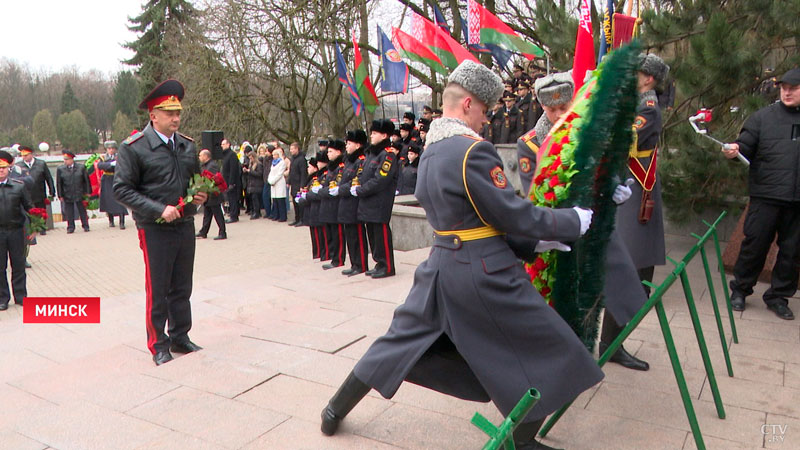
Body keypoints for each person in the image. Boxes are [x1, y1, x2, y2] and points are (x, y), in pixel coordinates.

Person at [321, 60, 602, 449]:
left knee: (396, 342)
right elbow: (509, 212)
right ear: (468, 104)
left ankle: (334, 409)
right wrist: (570, 221)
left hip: (440, 266)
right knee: (553, 347)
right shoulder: (473, 151)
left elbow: (472, 217)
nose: (487, 120)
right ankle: (519, 441)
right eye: (485, 111)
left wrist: (534, 244)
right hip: (483, 272)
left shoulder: (432, 150)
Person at [517, 72, 650, 371]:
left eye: (564, 108)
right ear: (542, 108)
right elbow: (535, 194)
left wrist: (614, 189)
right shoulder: (530, 144)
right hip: (558, 234)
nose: (559, 114)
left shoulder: (590, 133)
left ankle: (612, 346)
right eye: (552, 110)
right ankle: (563, 355)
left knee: (617, 287)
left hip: (596, 229)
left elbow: (606, 169)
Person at [113, 79, 207, 366]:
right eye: (169, 113)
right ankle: (158, 344)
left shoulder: (187, 146)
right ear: (153, 115)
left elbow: (193, 182)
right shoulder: (134, 147)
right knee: (158, 288)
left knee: (182, 286)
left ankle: (180, 336)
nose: (176, 118)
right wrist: (158, 209)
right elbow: (122, 189)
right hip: (154, 228)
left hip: (184, 224)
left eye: (178, 112)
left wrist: (199, 197)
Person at [722, 67, 800, 320]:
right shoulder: (762, 118)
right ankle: (741, 290)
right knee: (754, 245)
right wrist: (735, 150)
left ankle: (778, 297)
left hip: (797, 201)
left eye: (793, 88)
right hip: (766, 195)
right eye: (783, 87)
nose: (787, 92)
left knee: (792, 252)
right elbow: (744, 147)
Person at [616, 54, 669, 297]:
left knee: (634, 238)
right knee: (626, 235)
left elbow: (626, 139)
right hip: (627, 177)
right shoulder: (635, 103)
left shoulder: (647, 109)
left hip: (637, 180)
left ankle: (636, 292)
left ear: (648, 79)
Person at [351, 119, 399, 279]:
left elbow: (381, 179)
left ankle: (387, 266)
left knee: (381, 233)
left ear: (384, 135)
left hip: (379, 201)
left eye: (375, 133)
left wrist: (361, 190)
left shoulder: (388, 155)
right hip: (367, 201)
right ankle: (379, 262)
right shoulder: (372, 154)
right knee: (372, 234)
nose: (371, 136)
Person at [0, 150, 34, 311]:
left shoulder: (18, 187)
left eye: (3, 168)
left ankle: (20, 296)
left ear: (8, 169)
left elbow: (30, 208)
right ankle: (2, 298)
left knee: (18, 264)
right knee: (0, 267)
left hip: (16, 230)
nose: (1, 170)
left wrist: (34, 227)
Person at [337, 130, 369, 276]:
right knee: (350, 235)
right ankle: (354, 262)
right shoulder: (349, 160)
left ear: (358, 145)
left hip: (354, 202)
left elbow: (357, 179)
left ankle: (361, 263)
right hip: (345, 202)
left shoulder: (361, 160)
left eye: (349, 143)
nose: (347, 146)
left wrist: (341, 189)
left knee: (357, 235)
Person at [317, 140, 346, 269]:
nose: (328, 154)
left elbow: (335, 184)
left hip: (336, 204)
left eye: (331, 151)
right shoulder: (331, 167)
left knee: (337, 234)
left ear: (338, 152)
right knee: (331, 234)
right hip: (328, 204)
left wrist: (323, 190)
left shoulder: (341, 166)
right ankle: (334, 257)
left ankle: (338, 259)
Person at [15, 145, 55, 234]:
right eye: (23, 156)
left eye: (26, 155)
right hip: (26, 194)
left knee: (41, 211)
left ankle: (42, 228)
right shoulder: (19, 166)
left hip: (39, 192)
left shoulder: (41, 164)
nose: (24, 157)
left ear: (31, 154)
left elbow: (48, 178)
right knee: (28, 212)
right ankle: (31, 229)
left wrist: (52, 191)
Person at [96, 140, 129, 229]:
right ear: (106, 149)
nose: (111, 150)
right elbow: (100, 166)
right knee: (108, 201)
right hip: (107, 179)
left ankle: (122, 222)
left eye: (113, 148)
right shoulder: (103, 157)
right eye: (109, 148)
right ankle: (111, 221)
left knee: (120, 201)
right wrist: (110, 164)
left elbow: (124, 165)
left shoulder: (119, 156)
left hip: (117, 178)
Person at [57, 150, 91, 233]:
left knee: (82, 210)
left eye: (67, 159)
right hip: (67, 193)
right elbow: (59, 183)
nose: (65, 161)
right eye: (64, 159)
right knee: (69, 211)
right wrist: (60, 195)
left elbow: (86, 180)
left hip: (79, 192)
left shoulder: (81, 167)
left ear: (72, 159)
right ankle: (70, 227)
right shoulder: (60, 169)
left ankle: (85, 225)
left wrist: (88, 192)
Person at [196, 149, 227, 240]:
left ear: (206, 156)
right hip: (209, 194)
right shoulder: (206, 165)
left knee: (217, 214)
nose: (199, 157)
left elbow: (211, 179)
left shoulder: (212, 166)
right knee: (207, 214)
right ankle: (203, 232)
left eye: (200, 155)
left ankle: (222, 232)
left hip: (214, 194)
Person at [221, 138, 242, 223]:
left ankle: (234, 216)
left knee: (233, 198)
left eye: (223, 144)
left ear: (228, 144)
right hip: (227, 180)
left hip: (232, 181)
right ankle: (233, 214)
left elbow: (233, 170)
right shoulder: (225, 155)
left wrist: (231, 182)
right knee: (230, 198)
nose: (222, 146)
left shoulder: (232, 155)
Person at [287, 142, 307, 226]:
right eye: (290, 149)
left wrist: (302, 186)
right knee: (295, 202)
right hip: (294, 184)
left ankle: (302, 219)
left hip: (299, 184)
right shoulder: (293, 159)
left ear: (297, 149)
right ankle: (297, 218)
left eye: (292, 149)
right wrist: (288, 182)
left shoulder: (301, 159)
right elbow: (291, 172)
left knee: (300, 203)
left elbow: (303, 173)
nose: (291, 150)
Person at [268, 147, 288, 222]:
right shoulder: (273, 163)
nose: (274, 156)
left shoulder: (282, 162)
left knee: (280, 200)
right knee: (275, 200)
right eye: (273, 155)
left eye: (275, 155)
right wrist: (270, 180)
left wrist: (273, 180)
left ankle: (283, 216)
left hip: (279, 182)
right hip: (273, 183)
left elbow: (280, 173)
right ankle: (276, 215)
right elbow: (271, 172)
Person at [243, 149, 264, 219]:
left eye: (251, 158)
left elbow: (259, 174)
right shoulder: (250, 164)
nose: (250, 159)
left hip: (257, 184)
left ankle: (257, 212)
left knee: (256, 199)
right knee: (253, 199)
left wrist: (250, 171)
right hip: (251, 184)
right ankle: (254, 211)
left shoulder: (259, 164)